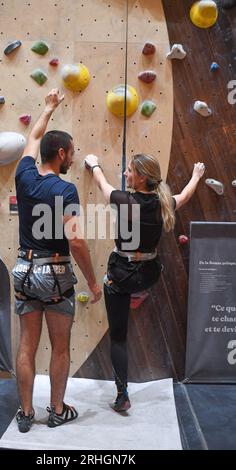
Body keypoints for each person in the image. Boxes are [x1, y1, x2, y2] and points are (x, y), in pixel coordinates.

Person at [84, 153, 205, 412]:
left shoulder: (124, 200)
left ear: (141, 177)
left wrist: (93, 163)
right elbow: (184, 196)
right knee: (132, 281)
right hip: (149, 273)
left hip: (122, 274)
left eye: (129, 171)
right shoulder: (163, 204)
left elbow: (102, 184)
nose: (126, 174)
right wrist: (196, 176)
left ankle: (122, 394)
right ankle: (137, 294)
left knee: (118, 337)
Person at [13, 89, 102, 432]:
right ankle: (56, 409)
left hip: (23, 268)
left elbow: (34, 136)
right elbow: (76, 241)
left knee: (26, 345)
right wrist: (93, 281)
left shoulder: (24, 176)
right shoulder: (65, 191)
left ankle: (25, 413)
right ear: (61, 154)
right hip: (55, 273)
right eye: (72, 154)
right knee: (60, 347)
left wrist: (48, 108)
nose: (72, 159)